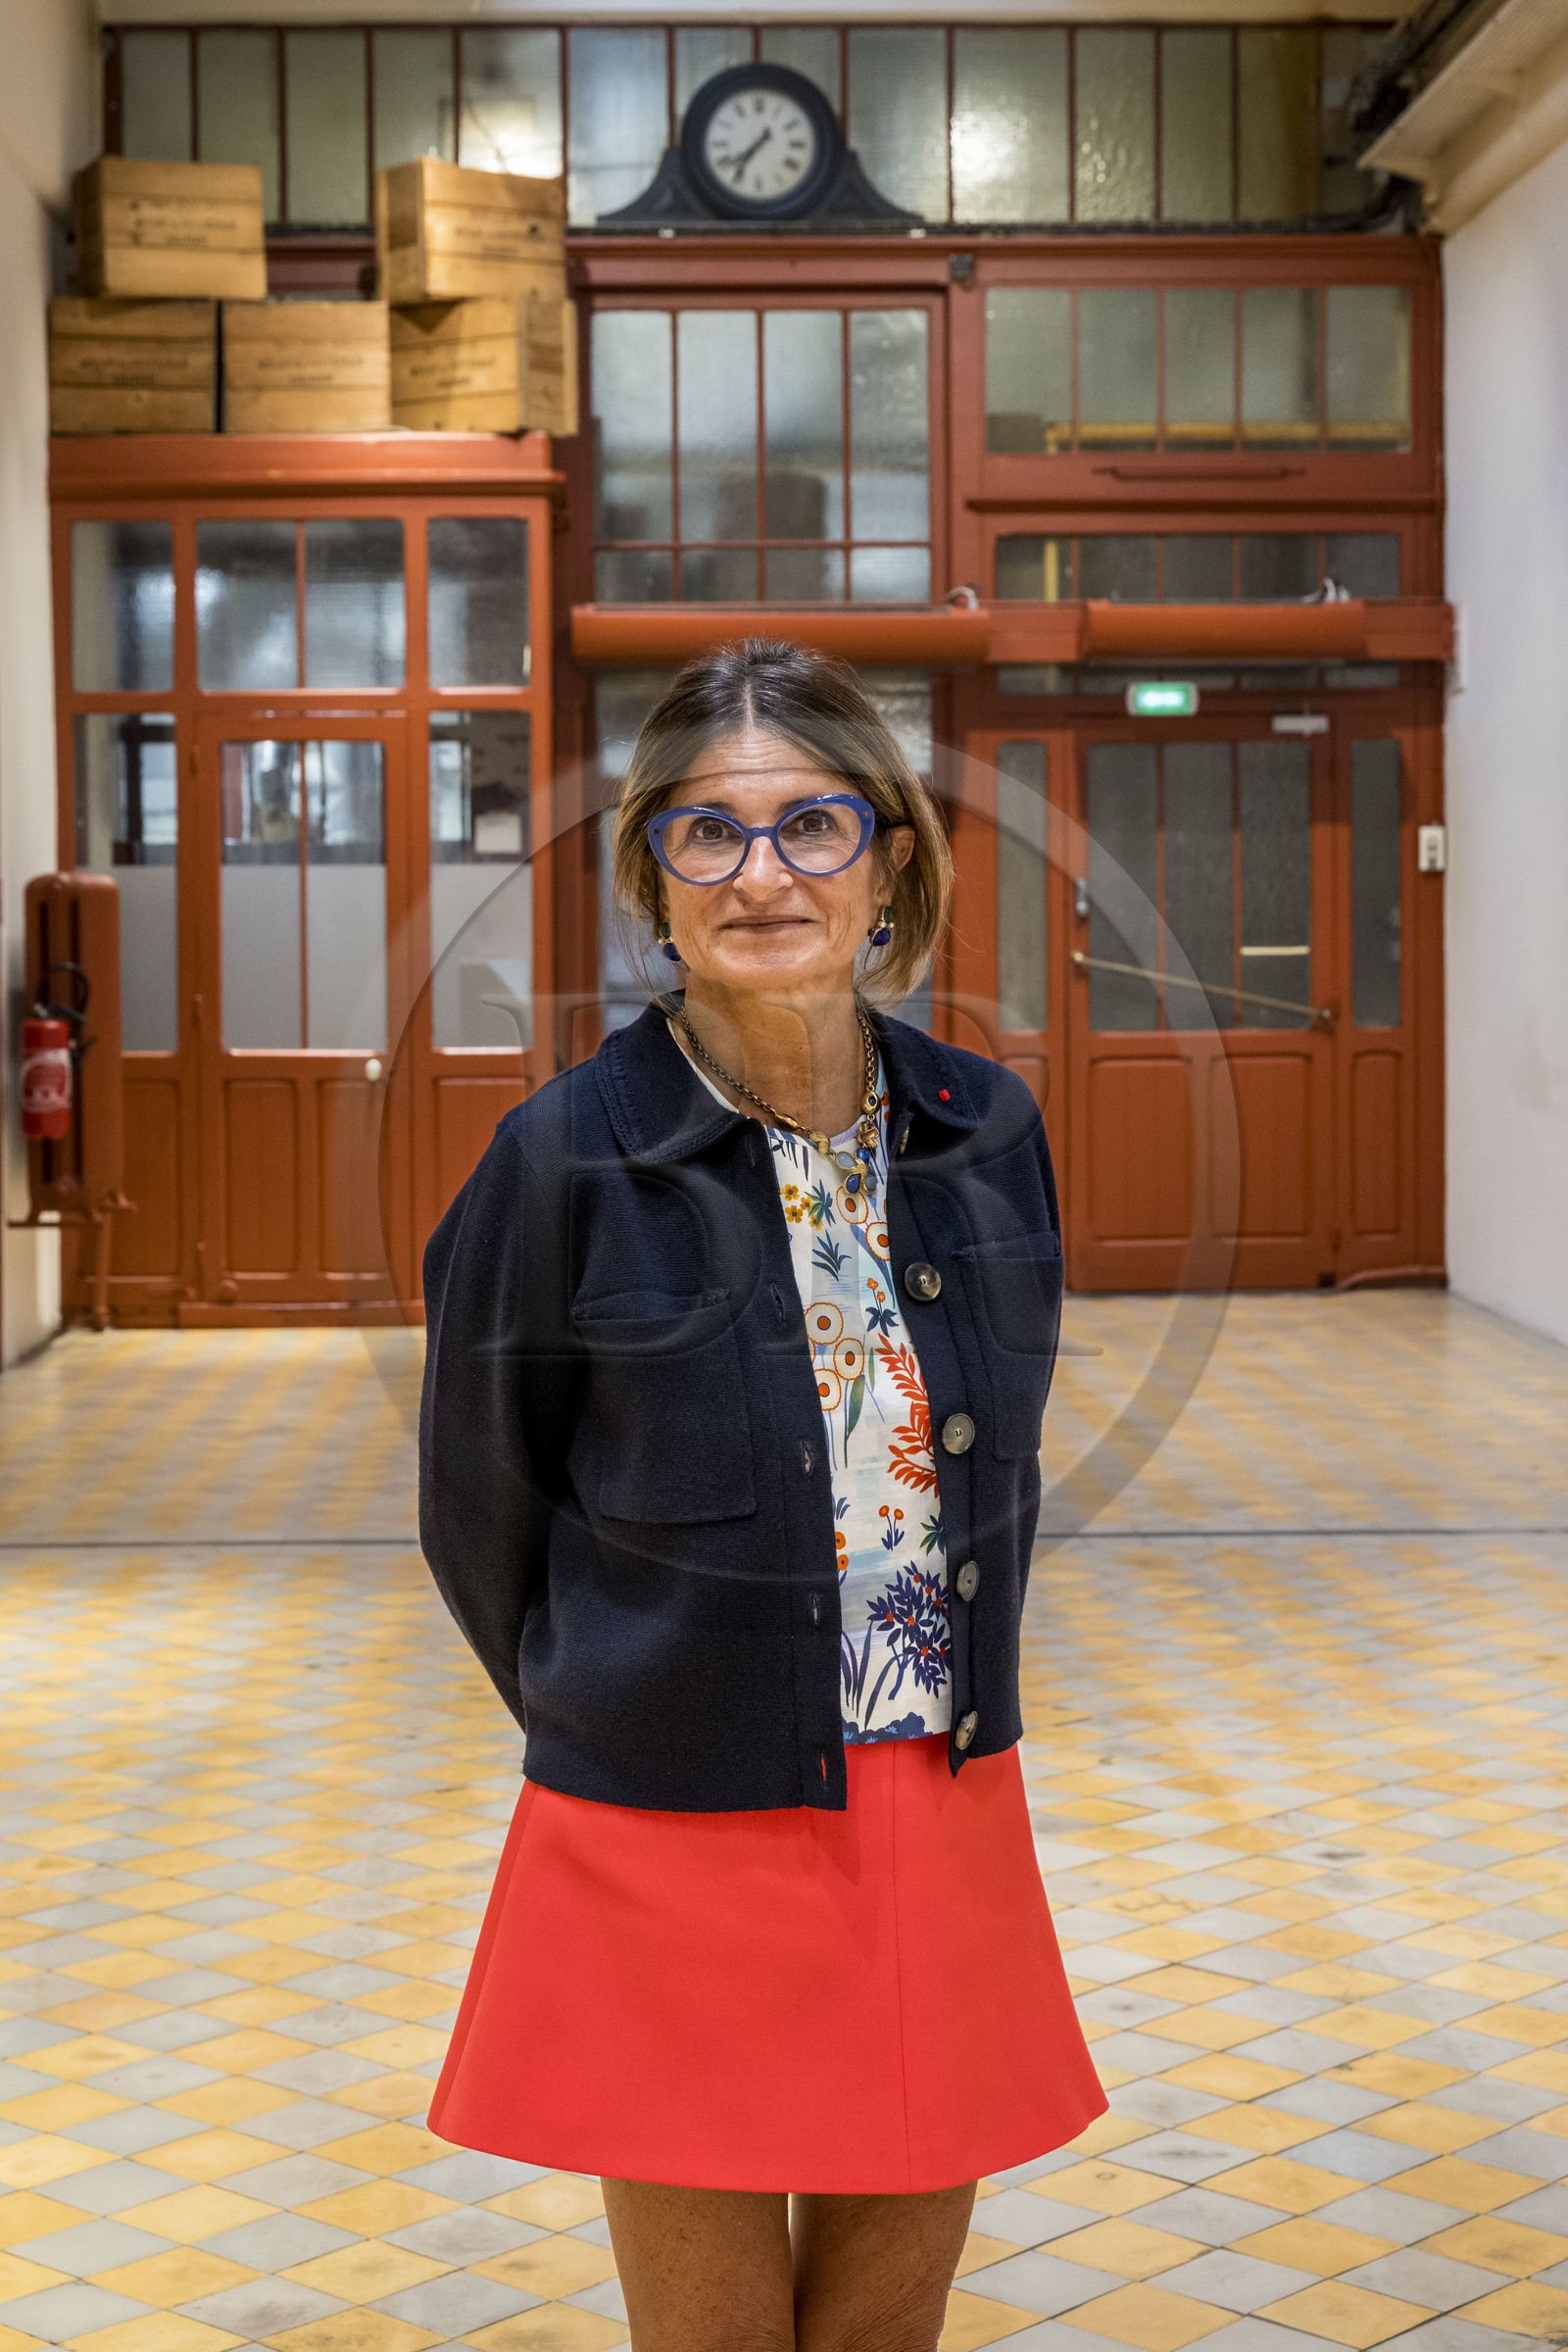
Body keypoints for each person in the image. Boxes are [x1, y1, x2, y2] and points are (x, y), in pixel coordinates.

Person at [419, 639, 1104, 2352]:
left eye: (814, 823)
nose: (765, 874)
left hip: (932, 1797)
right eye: (708, 835)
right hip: (669, 1813)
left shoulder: (986, 1128)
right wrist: (624, 1698)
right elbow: (475, 1508)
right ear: (651, 870)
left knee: (885, 2329)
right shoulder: (563, 1158)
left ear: (891, 862)